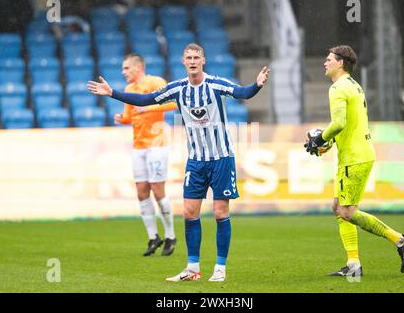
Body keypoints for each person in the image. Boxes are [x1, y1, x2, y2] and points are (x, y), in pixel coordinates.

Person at [88, 43, 270, 282]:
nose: (193, 61)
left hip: (221, 159)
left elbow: (242, 93)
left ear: (203, 60)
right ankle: (192, 268)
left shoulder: (216, 84)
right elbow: (145, 100)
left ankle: (220, 268)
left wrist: (256, 84)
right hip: (195, 161)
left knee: (219, 212)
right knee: (188, 212)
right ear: (183, 62)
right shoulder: (177, 88)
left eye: (196, 57)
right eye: (188, 58)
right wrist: (113, 93)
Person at [304, 45, 404, 277]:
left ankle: (399, 239)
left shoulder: (337, 88)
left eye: (329, 59)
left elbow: (339, 123)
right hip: (358, 153)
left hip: (353, 158)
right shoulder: (354, 85)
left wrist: (319, 139)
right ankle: (353, 265)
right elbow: (349, 124)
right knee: (338, 208)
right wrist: (328, 143)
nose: (325, 62)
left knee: (347, 211)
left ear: (340, 63)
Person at [116, 54, 178, 257]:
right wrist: (122, 119)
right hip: (138, 145)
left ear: (138, 67)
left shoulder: (155, 82)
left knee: (158, 191)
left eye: (126, 68)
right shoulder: (128, 90)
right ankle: (153, 237)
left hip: (157, 144)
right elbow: (130, 116)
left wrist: (148, 106)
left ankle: (170, 235)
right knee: (142, 191)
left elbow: (174, 102)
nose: (123, 72)